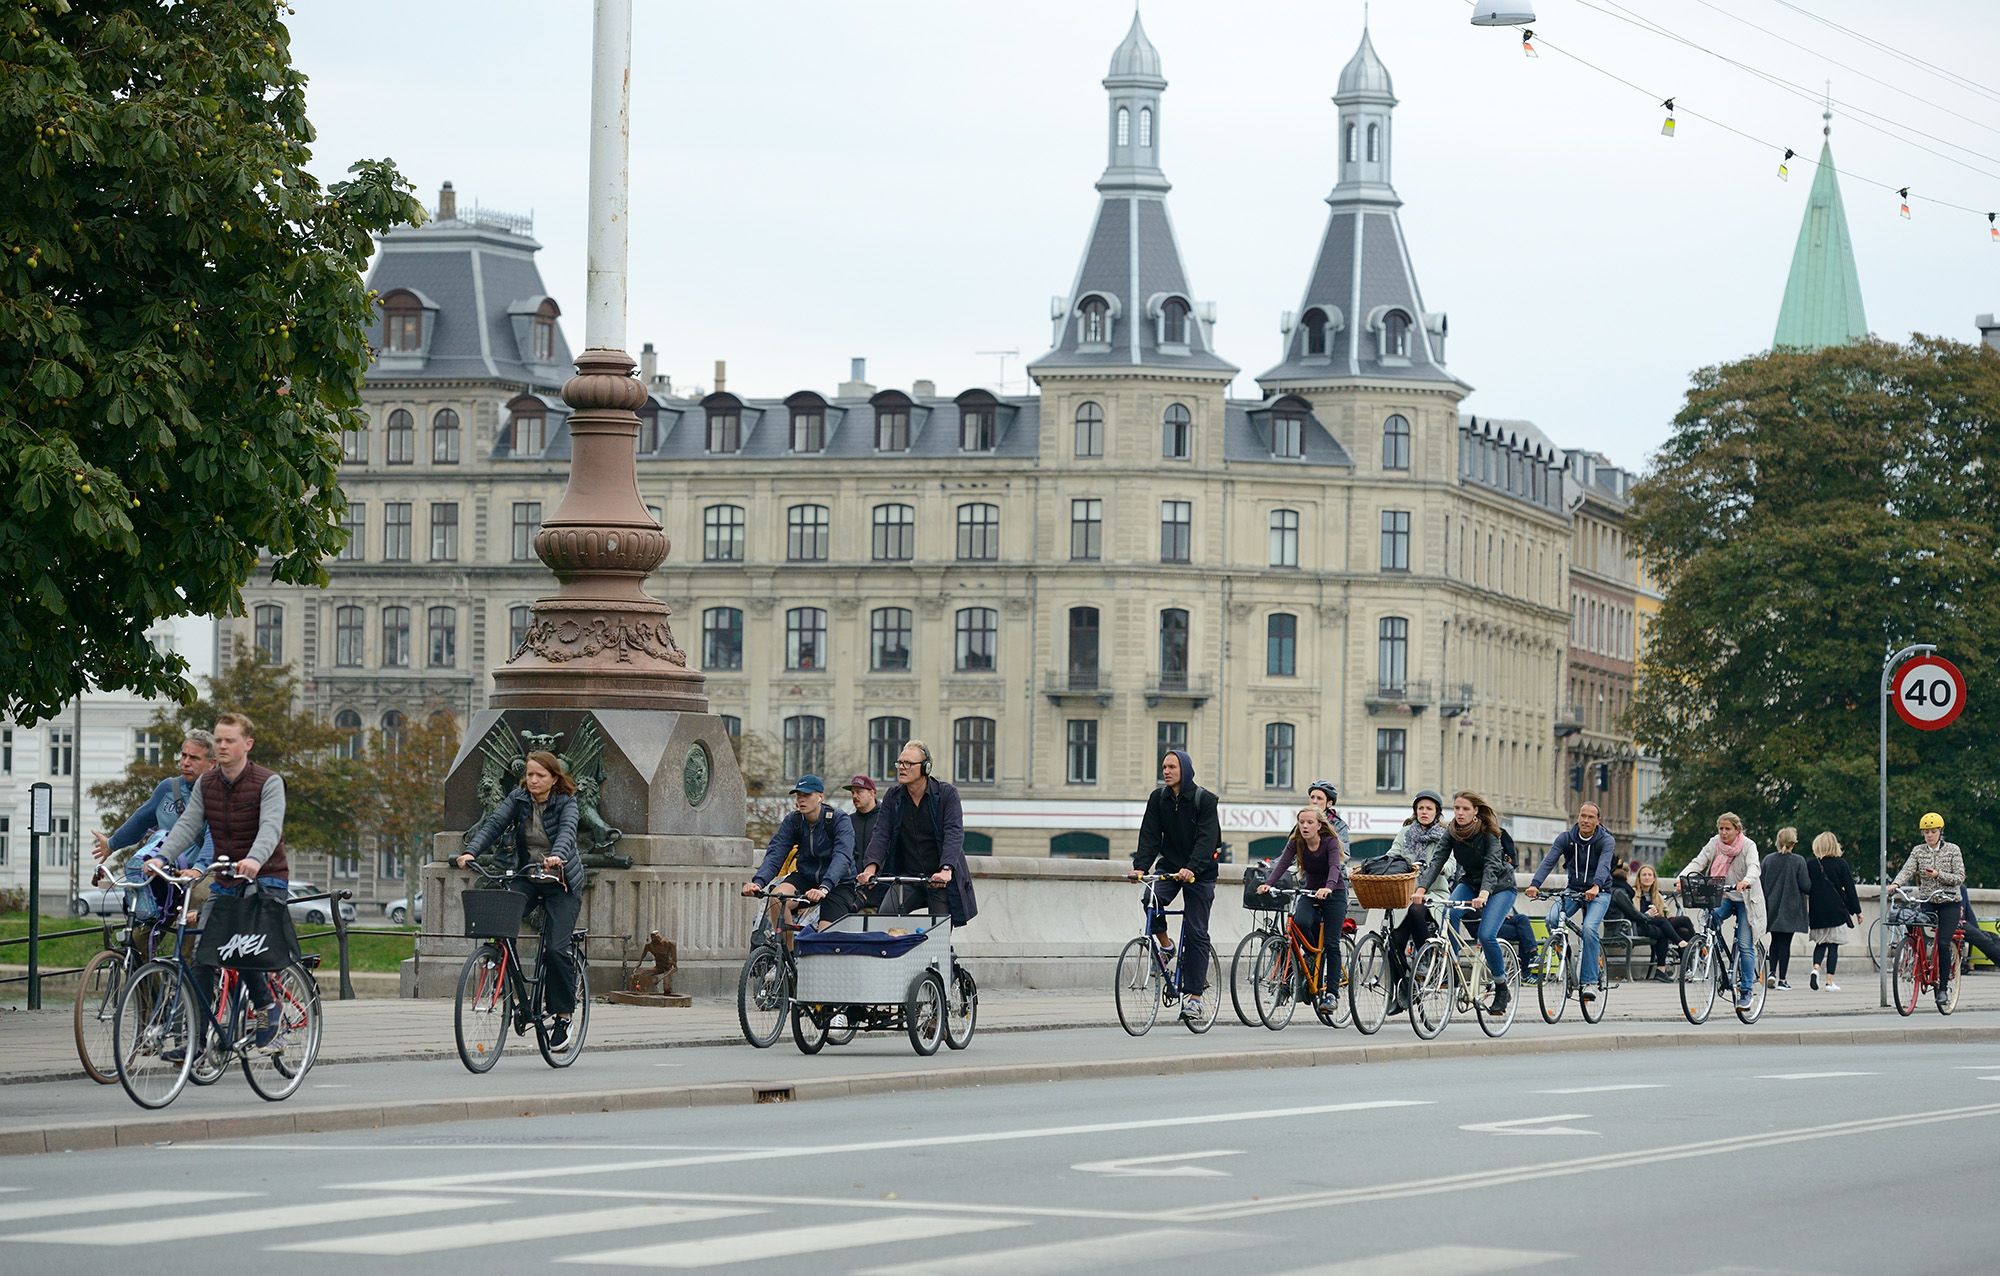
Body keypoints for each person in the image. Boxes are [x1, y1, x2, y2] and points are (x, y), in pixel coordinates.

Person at [150, 712, 289, 1051]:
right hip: (225, 880)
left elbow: (270, 827)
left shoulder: (268, 782)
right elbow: (187, 826)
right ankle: (195, 1041)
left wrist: (255, 859)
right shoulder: (207, 783)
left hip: (264, 879)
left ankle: (268, 1006)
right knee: (203, 957)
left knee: (240, 948)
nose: (222, 745)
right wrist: (161, 857)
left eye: (229, 740)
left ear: (247, 744)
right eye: (218, 740)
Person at [452, 750, 587, 1046]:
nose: (534, 780)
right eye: (529, 774)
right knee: (501, 925)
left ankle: (563, 1016)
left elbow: (566, 833)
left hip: (560, 882)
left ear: (554, 778)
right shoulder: (519, 798)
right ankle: (513, 992)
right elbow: (494, 823)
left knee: (555, 949)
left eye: (540, 775)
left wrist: (558, 856)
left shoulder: (567, 803)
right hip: (529, 877)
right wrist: (471, 851)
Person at [1125, 748, 1221, 1020]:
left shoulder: (1205, 800)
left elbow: (1207, 839)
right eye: (1164, 767)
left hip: (1199, 871)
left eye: (1172, 767)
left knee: (1196, 932)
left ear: (1185, 771)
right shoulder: (1158, 799)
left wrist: (1191, 868)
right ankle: (1166, 946)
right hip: (1170, 865)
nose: (1166, 771)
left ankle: (1194, 998)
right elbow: (1150, 835)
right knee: (1150, 900)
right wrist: (1140, 867)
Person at [89, 730, 219, 923]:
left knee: (194, 909)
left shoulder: (218, 794)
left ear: (212, 763)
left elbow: (213, 836)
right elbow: (140, 820)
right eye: (183, 755)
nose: (185, 762)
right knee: (140, 924)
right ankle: (132, 953)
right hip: (166, 870)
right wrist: (112, 843)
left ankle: (188, 952)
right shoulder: (169, 788)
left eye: (194, 758)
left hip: (204, 871)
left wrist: (199, 868)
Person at [1412, 791, 1516, 1015]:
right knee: (1450, 914)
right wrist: (1421, 889)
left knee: (1487, 935)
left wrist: (1485, 893)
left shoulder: (1489, 833)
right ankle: (1453, 968)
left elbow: (1492, 866)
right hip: (1470, 882)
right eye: (1457, 808)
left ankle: (1501, 986)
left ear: (1475, 811)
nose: (1460, 813)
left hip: (1499, 886)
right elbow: (1437, 860)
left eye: (1465, 809)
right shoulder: (1452, 832)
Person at [856, 741, 979, 926]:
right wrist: (870, 869)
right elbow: (881, 833)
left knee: (939, 932)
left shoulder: (947, 794)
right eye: (899, 763)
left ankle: (942, 953)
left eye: (908, 764)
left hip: (938, 879)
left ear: (925, 768)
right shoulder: (893, 796)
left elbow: (953, 832)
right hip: (908, 877)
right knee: (884, 918)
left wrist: (946, 869)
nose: (902, 768)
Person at [1524, 802, 1616, 1004]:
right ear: (1577, 817)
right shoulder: (1566, 838)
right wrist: (1534, 884)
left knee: (1590, 929)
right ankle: (1564, 952)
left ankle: (1589, 981)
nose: (1585, 820)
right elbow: (1549, 861)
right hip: (1573, 889)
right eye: (1583, 815)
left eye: (1591, 817)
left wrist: (1596, 886)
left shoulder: (1606, 841)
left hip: (1599, 892)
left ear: (1598, 821)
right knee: (1552, 919)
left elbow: (1604, 866)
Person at [1257, 806, 1345, 1013]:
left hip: (1334, 893)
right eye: (1301, 822)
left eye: (1309, 822)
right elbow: (1281, 865)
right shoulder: (1296, 842)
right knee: (1299, 922)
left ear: (1319, 825)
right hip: (1309, 891)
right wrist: (1269, 883)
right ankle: (1314, 954)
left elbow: (1334, 868)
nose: (1305, 826)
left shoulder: (1329, 843)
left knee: (1331, 944)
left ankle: (1332, 994)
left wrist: (1329, 887)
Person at [742, 775, 859, 931]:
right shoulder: (793, 821)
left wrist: (824, 887)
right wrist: (758, 882)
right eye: (798, 795)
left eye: (807, 795)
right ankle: (786, 952)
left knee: (824, 935)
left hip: (838, 883)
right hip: (806, 877)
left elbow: (842, 856)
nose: (801, 800)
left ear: (820, 797)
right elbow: (776, 852)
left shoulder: (838, 819)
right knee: (777, 898)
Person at [1679, 812, 1764, 1011]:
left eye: (1728, 829)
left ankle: (1746, 992)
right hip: (1723, 896)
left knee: (1744, 944)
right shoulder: (1715, 843)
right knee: (1710, 919)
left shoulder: (1748, 846)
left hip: (1745, 898)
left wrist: (1746, 881)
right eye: (1721, 829)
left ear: (1737, 830)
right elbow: (1698, 862)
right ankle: (1709, 951)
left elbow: (1754, 866)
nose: (1724, 833)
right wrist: (1681, 878)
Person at [1890, 812, 1965, 1009]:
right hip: (1928, 900)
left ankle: (1942, 989)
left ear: (1940, 831)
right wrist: (1895, 884)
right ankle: (1914, 958)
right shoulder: (1918, 851)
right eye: (1926, 832)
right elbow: (1907, 869)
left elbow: (1959, 877)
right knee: (1912, 926)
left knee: (1942, 942)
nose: (1929, 835)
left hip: (1949, 902)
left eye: (1933, 831)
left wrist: (1939, 874)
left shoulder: (1952, 850)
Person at [1383, 789, 1448, 1014]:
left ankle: (1426, 955)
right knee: (1393, 942)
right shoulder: (1405, 833)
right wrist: (1387, 866)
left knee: (1417, 909)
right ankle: (1400, 991)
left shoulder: (1445, 835)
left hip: (1434, 895)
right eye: (1420, 808)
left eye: (1429, 808)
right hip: (1406, 895)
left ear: (1437, 812)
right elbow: (1393, 854)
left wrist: (1430, 868)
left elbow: (1451, 865)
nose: (1424, 812)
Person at [1806, 831, 1862, 991]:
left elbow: (1806, 886)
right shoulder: (1841, 864)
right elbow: (1850, 889)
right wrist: (1858, 911)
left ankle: (1815, 969)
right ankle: (1829, 981)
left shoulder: (1811, 864)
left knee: (1820, 943)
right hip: (1837, 911)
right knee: (1833, 946)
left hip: (1817, 911)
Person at [1760, 827, 1812, 990]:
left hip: (1772, 906)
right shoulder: (1798, 861)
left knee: (1775, 941)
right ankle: (1782, 979)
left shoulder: (1768, 860)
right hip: (1791, 907)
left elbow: (1761, 883)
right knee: (1785, 943)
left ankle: (1772, 973)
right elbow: (1806, 885)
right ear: (1793, 843)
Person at [1623, 862, 1695, 981]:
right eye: (1644, 875)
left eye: (1649, 875)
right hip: (1641, 925)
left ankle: (1683, 970)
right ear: (1639, 878)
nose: (1647, 877)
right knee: (1671, 922)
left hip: (1658, 925)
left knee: (1683, 930)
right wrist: (1647, 914)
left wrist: (1664, 913)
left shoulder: (1657, 895)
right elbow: (1632, 914)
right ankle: (1693, 946)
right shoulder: (1633, 893)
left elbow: (1667, 913)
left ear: (1654, 878)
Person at [844, 775, 881, 890]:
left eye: (859, 792)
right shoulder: (847, 821)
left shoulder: (885, 820)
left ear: (872, 793)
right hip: (853, 888)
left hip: (881, 887)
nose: (854, 796)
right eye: (852, 793)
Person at [1307, 780, 1352, 847]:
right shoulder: (1303, 821)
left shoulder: (1338, 825)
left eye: (1319, 798)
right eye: (1312, 797)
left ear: (1329, 803)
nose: (1314, 801)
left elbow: (1344, 854)